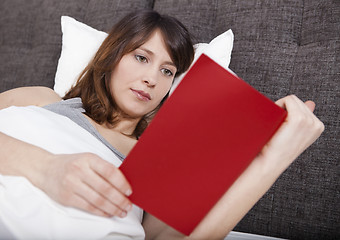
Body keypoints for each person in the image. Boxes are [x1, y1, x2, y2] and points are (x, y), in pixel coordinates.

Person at [0, 10, 324, 240]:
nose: (151, 79)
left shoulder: (156, 157)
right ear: (112, 57)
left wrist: (272, 159)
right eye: (142, 57)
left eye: (168, 71)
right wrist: (45, 168)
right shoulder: (42, 98)